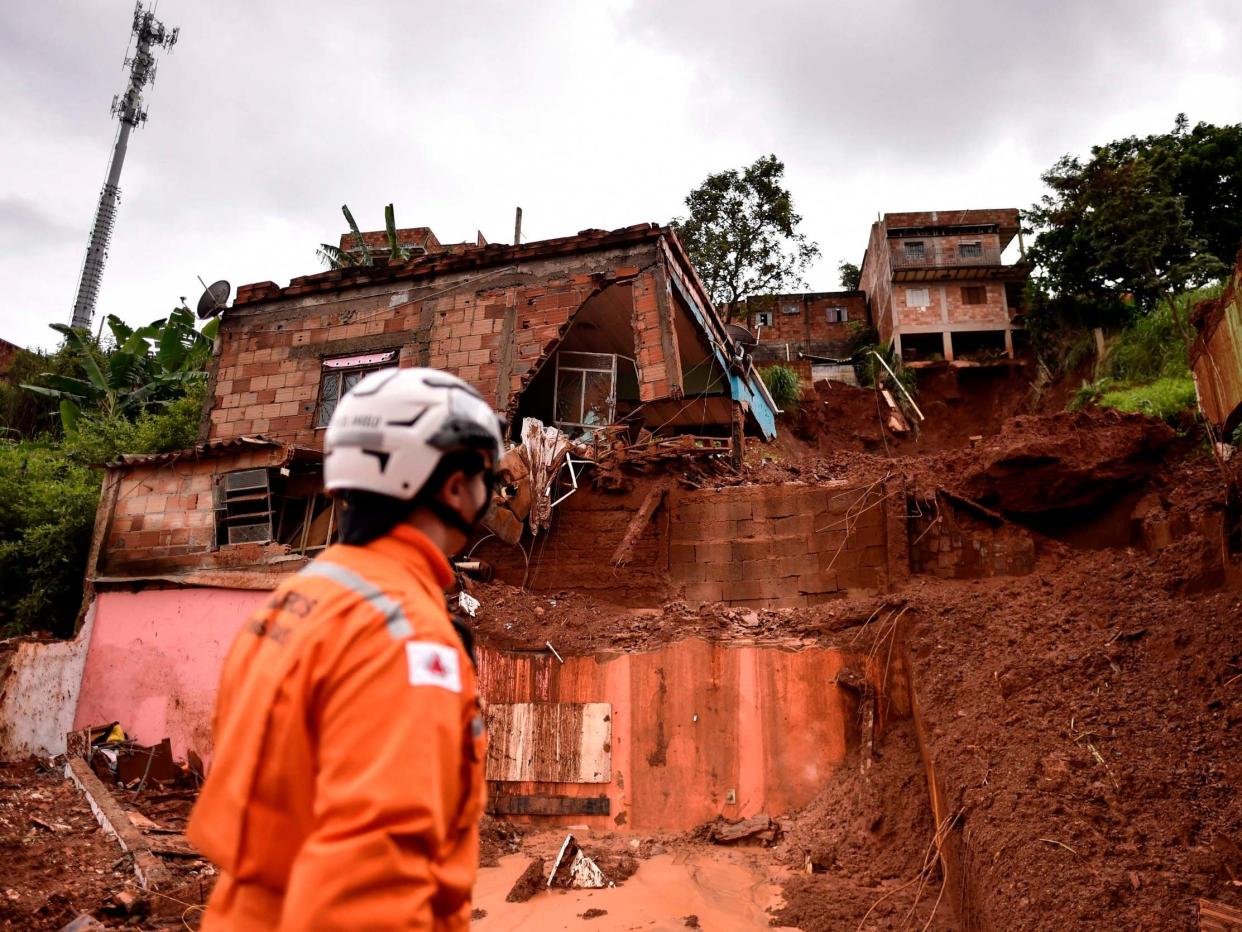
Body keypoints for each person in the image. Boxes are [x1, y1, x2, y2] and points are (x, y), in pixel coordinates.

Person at [187, 368, 502, 930]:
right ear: (454, 485)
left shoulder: (295, 601)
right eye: (487, 477)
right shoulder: (408, 636)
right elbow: (369, 878)